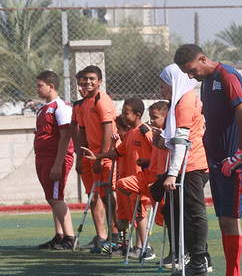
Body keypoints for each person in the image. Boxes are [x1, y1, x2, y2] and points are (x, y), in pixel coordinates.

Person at [174, 43, 242, 276]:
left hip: (234, 164)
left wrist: (240, 152)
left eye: (191, 70)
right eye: (186, 73)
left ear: (203, 59)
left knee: (231, 221)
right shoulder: (207, 81)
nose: (190, 76)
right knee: (224, 221)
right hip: (220, 164)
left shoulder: (227, 75)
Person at [155, 64, 211, 276]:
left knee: (193, 212)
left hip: (192, 164)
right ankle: (194, 257)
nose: (162, 89)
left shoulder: (185, 102)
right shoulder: (184, 99)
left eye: (165, 84)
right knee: (178, 211)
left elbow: (181, 139)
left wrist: (172, 172)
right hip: (189, 163)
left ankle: (199, 260)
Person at [82, 98, 155, 259]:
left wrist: (150, 165)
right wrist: (97, 156)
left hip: (140, 181)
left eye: (126, 113)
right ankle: (134, 246)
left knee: (139, 213)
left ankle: (146, 248)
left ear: (137, 115)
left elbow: (158, 152)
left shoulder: (145, 131)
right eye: (122, 112)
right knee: (130, 214)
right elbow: (118, 152)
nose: (122, 116)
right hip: (129, 181)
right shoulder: (130, 133)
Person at [32, 70, 76, 250]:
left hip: (55, 158)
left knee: (56, 197)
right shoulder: (42, 109)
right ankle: (59, 235)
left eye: (40, 85)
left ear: (51, 86)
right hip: (43, 158)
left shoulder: (61, 107)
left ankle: (70, 238)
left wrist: (58, 164)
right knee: (51, 197)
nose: (37, 89)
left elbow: (65, 137)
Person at [76, 65, 116, 252]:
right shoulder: (85, 103)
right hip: (92, 157)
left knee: (109, 197)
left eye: (92, 79)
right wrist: (81, 157)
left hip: (105, 157)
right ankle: (104, 238)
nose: (88, 82)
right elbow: (82, 131)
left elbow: (108, 131)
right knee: (98, 196)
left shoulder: (102, 101)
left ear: (100, 81)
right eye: (85, 79)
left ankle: (116, 239)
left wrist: (100, 158)